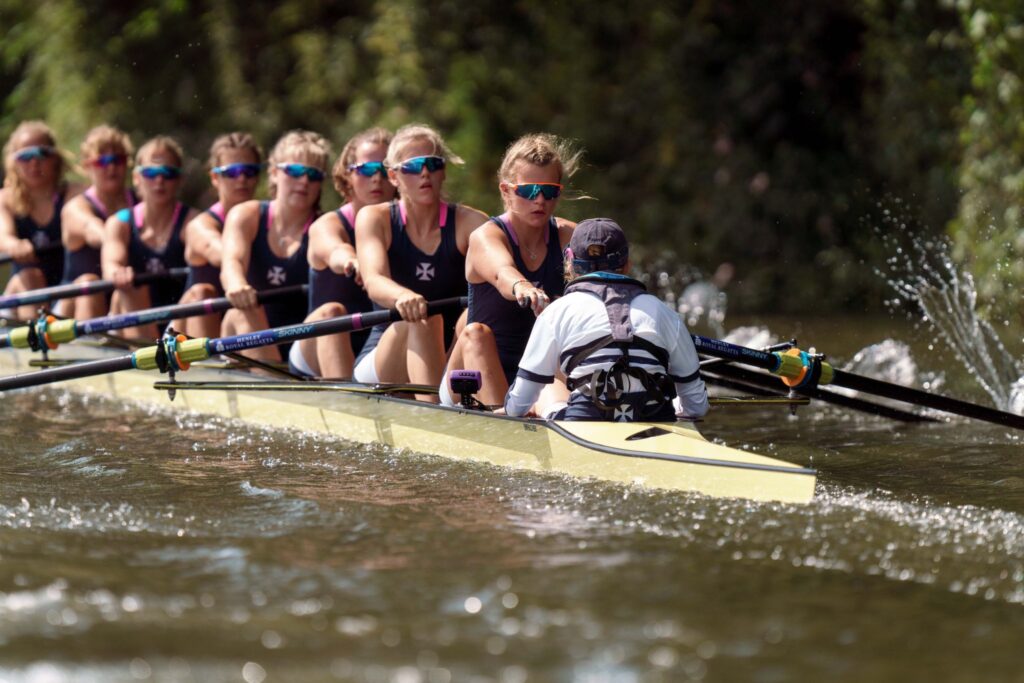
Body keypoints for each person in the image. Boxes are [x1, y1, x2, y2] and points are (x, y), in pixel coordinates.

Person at [503, 218, 709, 422]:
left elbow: (518, 405)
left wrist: (511, 408)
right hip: (655, 420)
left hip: (586, 423)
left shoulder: (556, 312)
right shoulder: (666, 313)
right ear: (627, 264)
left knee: (547, 388)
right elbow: (697, 406)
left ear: (571, 263)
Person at [440, 133, 580, 408]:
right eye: (528, 191)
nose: (539, 200)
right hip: (477, 371)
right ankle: (500, 418)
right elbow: (502, 272)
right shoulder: (486, 237)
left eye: (549, 191)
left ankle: (562, 416)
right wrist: (523, 287)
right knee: (475, 332)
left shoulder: (569, 236)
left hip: (541, 376)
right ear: (506, 191)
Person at [353, 124, 488, 399]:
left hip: (448, 354)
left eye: (432, 164)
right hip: (383, 359)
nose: (424, 172)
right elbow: (373, 280)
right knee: (424, 320)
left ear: (443, 171)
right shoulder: (374, 218)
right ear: (393, 176)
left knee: (475, 318)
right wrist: (403, 296)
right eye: (413, 166)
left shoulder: (469, 223)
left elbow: (500, 260)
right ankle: (437, 413)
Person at [289, 127, 395, 378]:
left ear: (396, 175)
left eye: (383, 170)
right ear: (347, 175)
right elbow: (336, 250)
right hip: (317, 347)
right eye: (366, 170)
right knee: (332, 312)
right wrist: (355, 262)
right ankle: (349, 406)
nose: (376, 178)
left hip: (377, 347)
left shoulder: (408, 226)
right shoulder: (327, 225)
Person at [220, 130, 329, 363]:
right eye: (295, 171)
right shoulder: (246, 215)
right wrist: (237, 284)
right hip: (246, 333)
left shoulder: (325, 227)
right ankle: (272, 385)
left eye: (313, 174)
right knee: (242, 310)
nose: (304, 181)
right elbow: (232, 262)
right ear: (273, 173)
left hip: (301, 347)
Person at [102, 135, 198, 339]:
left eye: (168, 173)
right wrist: (117, 272)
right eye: (150, 173)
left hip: (179, 325)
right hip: (133, 315)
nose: (159, 180)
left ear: (179, 179)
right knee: (127, 291)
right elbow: (111, 264)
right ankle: (148, 354)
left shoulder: (193, 223)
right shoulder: (119, 224)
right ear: (137, 178)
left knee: (201, 293)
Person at [175, 132, 263, 338]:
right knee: (202, 293)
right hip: (193, 330)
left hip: (243, 323)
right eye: (232, 172)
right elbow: (226, 256)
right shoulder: (200, 226)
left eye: (249, 171)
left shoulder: (268, 220)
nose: (242, 179)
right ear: (215, 177)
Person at [57, 124, 137, 320]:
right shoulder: (75, 209)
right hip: (73, 306)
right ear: (87, 166)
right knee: (89, 283)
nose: (111, 167)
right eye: (102, 161)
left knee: (131, 290)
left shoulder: (140, 202)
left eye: (118, 160)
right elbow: (95, 231)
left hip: (120, 297)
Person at [0, 121, 76, 319]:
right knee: (30, 276)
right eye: (25, 156)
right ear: (13, 163)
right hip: (24, 292)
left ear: (55, 158)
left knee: (86, 281)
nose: (34, 162)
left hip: (66, 297)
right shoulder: (5, 200)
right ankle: (35, 339)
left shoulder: (75, 195)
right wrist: (13, 244)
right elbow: (3, 236)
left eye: (42, 153)